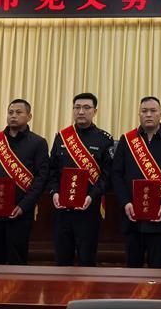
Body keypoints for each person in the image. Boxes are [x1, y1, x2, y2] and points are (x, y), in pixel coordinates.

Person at [112, 96, 161, 268]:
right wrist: (126, 202)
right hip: (132, 216)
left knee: (157, 269)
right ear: (139, 114)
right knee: (132, 269)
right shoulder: (127, 140)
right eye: (144, 111)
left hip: (159, 216)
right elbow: (116, 174)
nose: (148, 115)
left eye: (153, 111)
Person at [0, 98, 49, 265]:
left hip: (20, 212)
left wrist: (24, 206)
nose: (13, 116)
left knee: (17, 260)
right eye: (10, 112)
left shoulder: (38, 143)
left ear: (29, 116)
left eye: (18, 112)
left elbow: (41, 178)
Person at [48, 92, 114, 266]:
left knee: (87, 260)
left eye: (86, 107)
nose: (81, 112)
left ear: (95, 111)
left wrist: (92, 196)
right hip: (62, 210)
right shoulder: (61, 137)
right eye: (77, 107)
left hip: (89, 210)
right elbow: (52, 170)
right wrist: (54, 192)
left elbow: (107, 176)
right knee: (62, 261)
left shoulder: (104, 139)